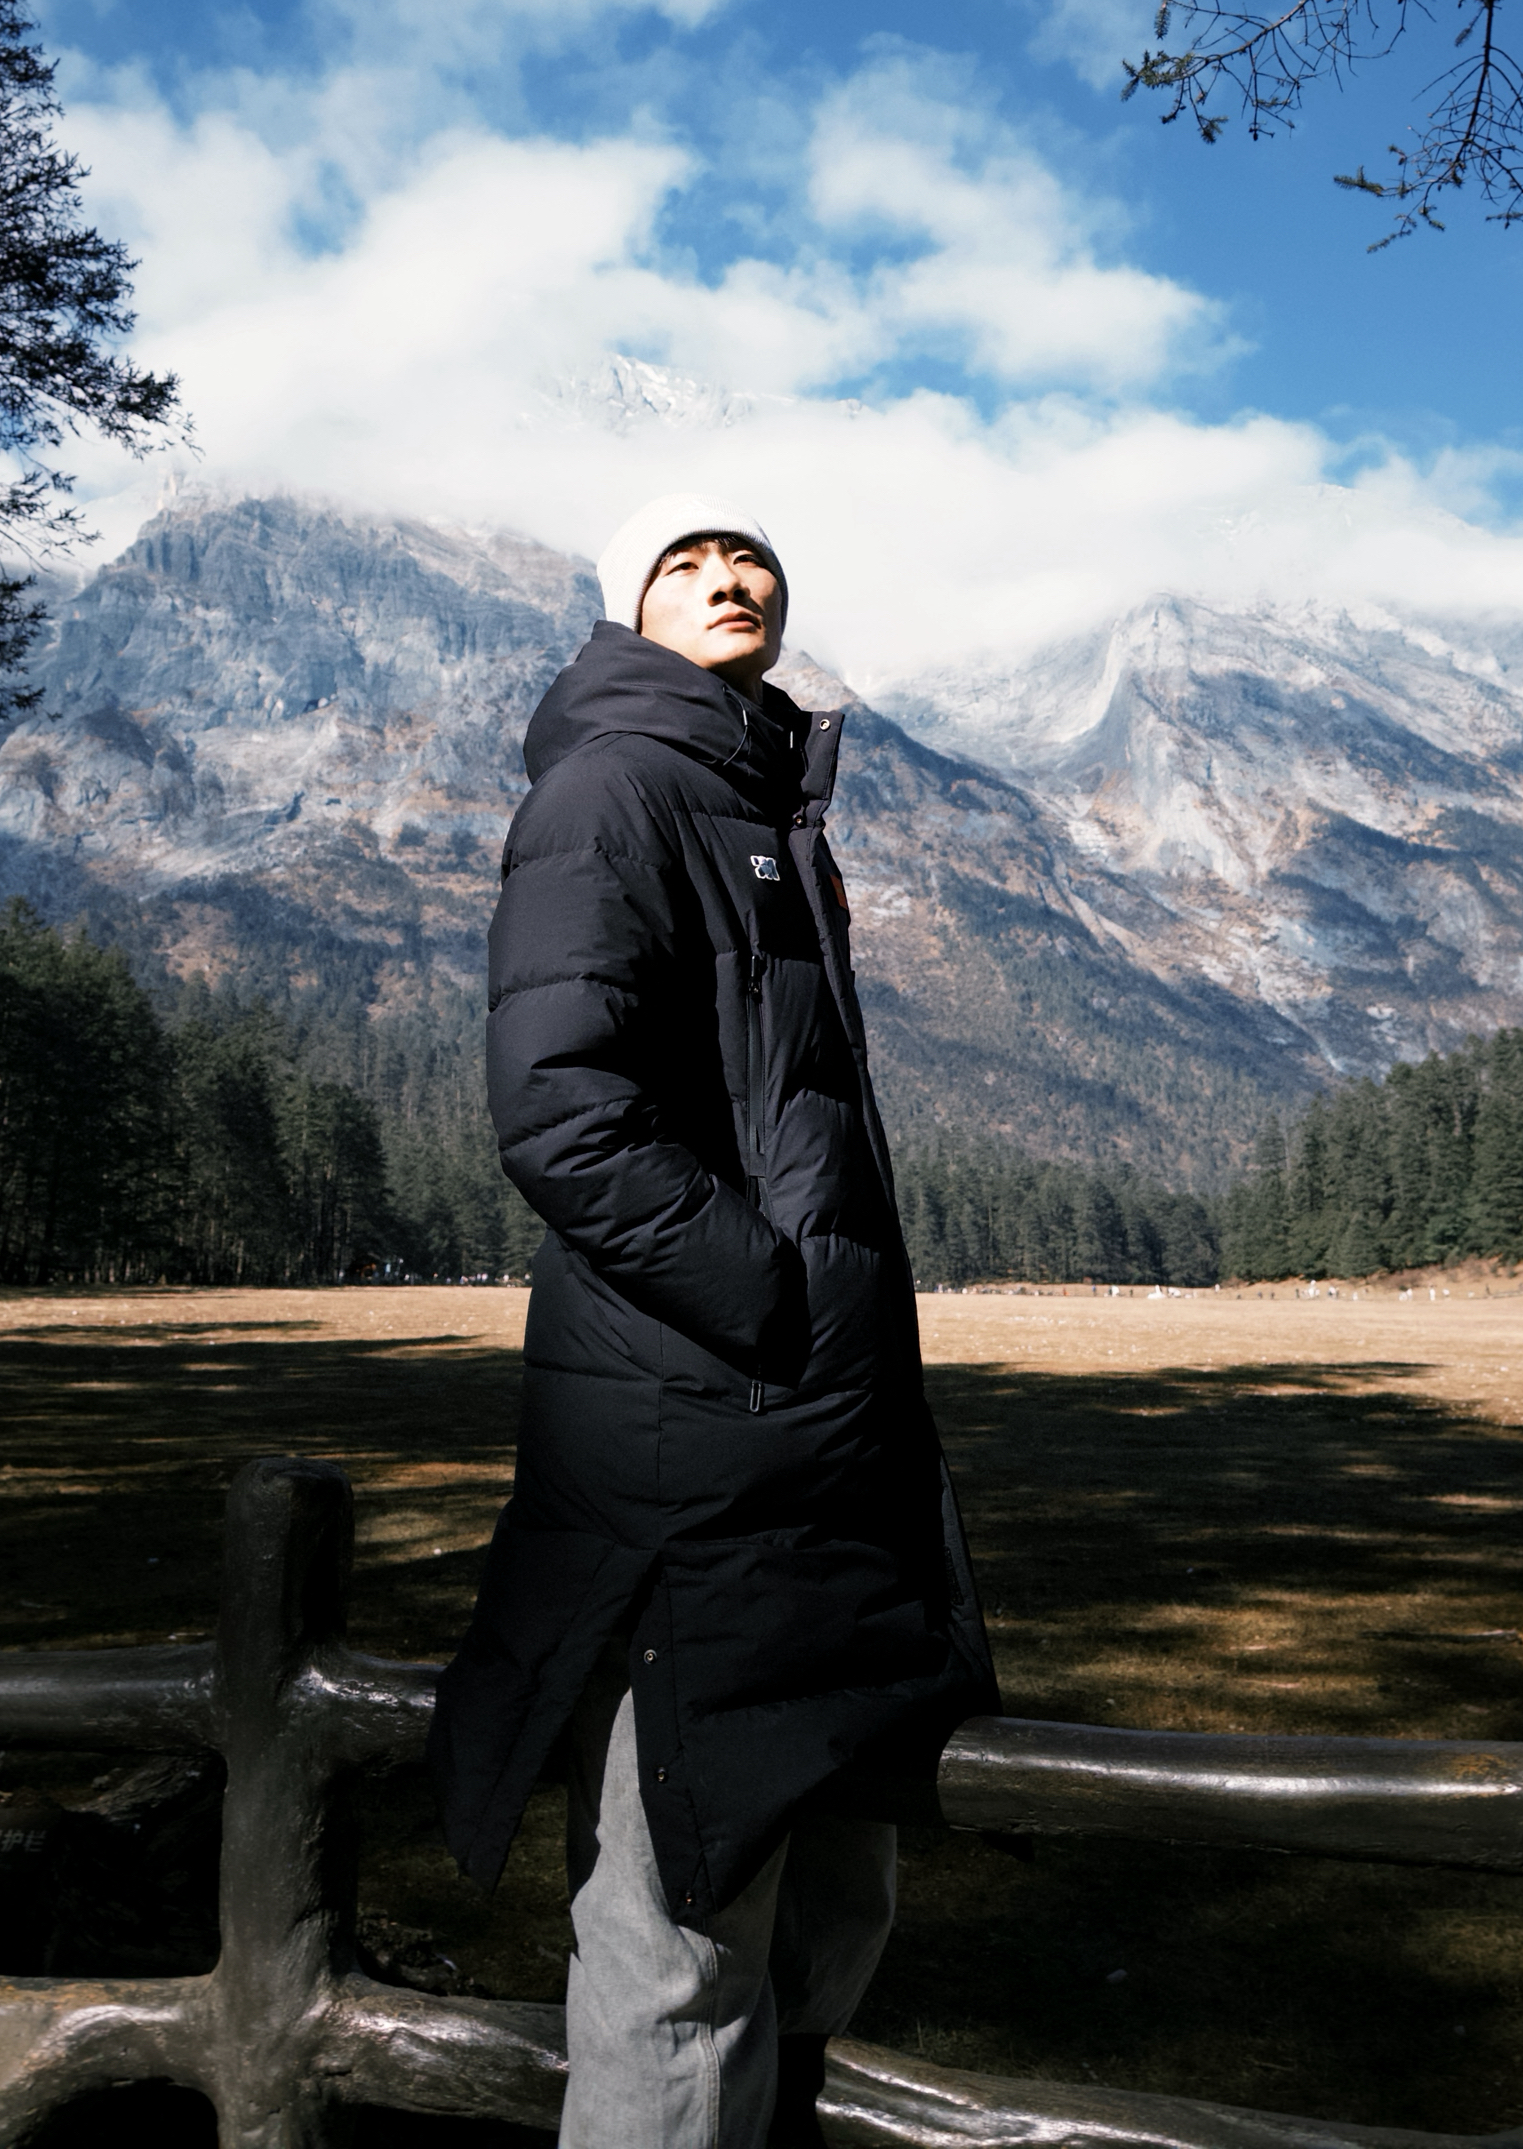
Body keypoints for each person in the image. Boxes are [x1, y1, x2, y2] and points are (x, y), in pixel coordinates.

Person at [429, 491, 997, 2149]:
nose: (727, 575)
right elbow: (560, 1111)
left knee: (828, 1897)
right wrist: (771, 1300)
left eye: (750, 557)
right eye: (681, 560)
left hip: (802, 1449)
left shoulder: (756, 804)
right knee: (678, 1933)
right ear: (628, 612)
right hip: (692, 1442)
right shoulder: (613, 788)